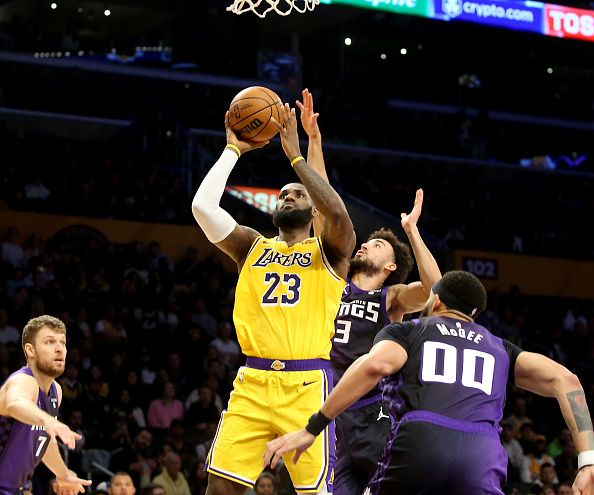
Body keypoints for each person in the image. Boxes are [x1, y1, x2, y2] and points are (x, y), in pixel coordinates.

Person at [264, 271, 594, 494]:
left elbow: (376, 364)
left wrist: (313, 426)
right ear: (473, 314)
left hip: (422, 440)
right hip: (482, 453)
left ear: (435, 301)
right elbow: (566, 379)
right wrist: (587, 461)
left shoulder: (409, 330)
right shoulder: (500, 347)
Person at [191, 102, 355, 495]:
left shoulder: (330, 252)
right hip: (252, 382)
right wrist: (234, 149)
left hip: (306, 385)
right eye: (282, 194)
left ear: (311, 207)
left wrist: (298, 155)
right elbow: (202, 207)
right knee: (219, 489)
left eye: (298, 194)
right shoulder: (251, 245)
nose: (287, 196)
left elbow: (336, 213)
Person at [297, 88, 442, 494]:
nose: (364, 246)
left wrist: (411, 232)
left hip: (372, 410)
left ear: (391, 266)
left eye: (376, 246)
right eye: (366, 243)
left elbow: (435, 289)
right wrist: (314, 140)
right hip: (326, 409)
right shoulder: (332, 277)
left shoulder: (391, 299)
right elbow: (324, 206)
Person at [0, 315, 92, 495]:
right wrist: (49, 421)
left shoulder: (56, 390)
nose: (59, 349)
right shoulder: (23, 380)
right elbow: (15, 402)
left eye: (62, 342)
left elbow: (42, 439)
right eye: (50, 342)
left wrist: (63, 473)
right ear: (30, 350)